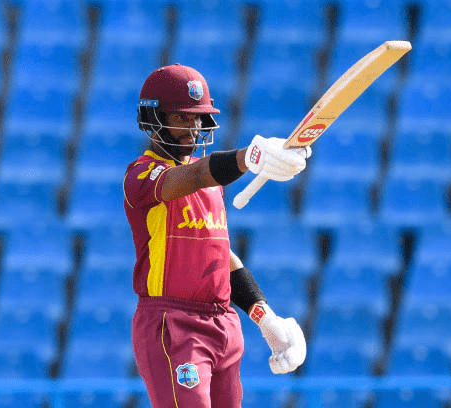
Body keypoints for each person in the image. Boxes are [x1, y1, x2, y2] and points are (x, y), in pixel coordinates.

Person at [123, 64, 310, 408]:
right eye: (182, 117)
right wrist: (247, 157)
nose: (193, 128)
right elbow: (192, 176)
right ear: (153, 118)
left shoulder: (212, 189)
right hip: (173, 325)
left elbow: (221, 257)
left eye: (198, 118)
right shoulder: (142, 175)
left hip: (223, 324)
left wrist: (265, 317)